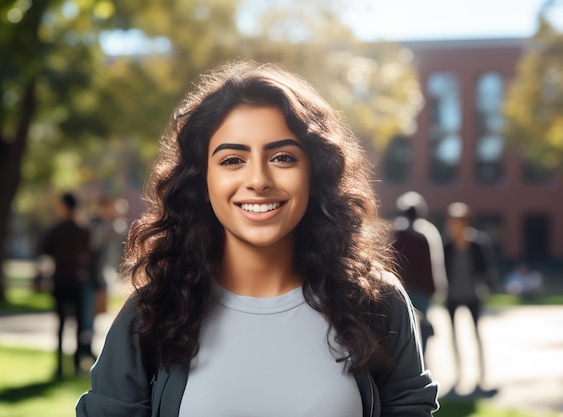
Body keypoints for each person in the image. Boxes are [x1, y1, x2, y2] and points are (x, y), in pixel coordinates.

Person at [76, 61, 438, 416]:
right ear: (203, 182)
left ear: (314, 174)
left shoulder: (377, 302)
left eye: (282, 157)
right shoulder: (152, 313)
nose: (259, 180)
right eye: (233, 160)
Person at [443, 202, 497, 395]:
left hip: (473, 295)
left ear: (465, 223)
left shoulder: (477, 244)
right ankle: (458, 375)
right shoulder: (447, 246)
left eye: (457, 222)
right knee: (454, 336)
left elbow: (487, 269)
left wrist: (488, 287)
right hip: (452, 296)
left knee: (476, 335)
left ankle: (481, 378)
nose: (453, 226)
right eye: (451, 222)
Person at [40, 192, 91, 378]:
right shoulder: (82, 229)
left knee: (61, 324)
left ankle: (61, 366)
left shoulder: (57, 228)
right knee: (78, 324)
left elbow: (46, 250)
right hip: (76, 280)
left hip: (60, 280)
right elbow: (88, 251)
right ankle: (76, 364)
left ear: (64, 206)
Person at [391, 191, 447, 359]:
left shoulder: (397, 234)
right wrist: (436, 287)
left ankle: (409, 361)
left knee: (404, 329)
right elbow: (434, 264)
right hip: (421, 289)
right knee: (420, 326)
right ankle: (421, 359)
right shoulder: (425, 234)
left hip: (403, 289)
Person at [80, 197, 120, 364]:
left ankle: (87, 350)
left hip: (101, 277)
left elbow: (116, 251)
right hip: (89, 276)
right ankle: (83, 350)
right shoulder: (93, 224)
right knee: (86, 317)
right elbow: (93, 245)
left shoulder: (112, 225)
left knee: (95, 316)